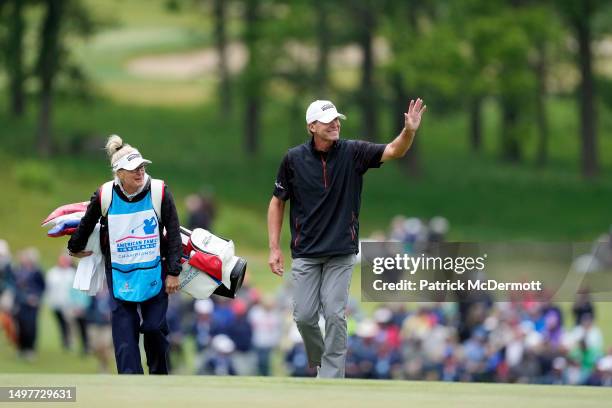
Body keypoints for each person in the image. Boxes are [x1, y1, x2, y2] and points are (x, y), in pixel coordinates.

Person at [267, 98, 426, 378]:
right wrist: (273, 247)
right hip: (305, 252)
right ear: (312, 126)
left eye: (337, 119)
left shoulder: (353, 152)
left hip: (341, 251)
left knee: (335, 314)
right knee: (303, 317)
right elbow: (277, 202)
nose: (336, 124)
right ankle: (318, 358)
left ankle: (330, 379)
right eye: (329, 121)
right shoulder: (293, 159)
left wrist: (409, 131)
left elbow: (393, 150)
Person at [68, 134, 182, 374]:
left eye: (141, 167)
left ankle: (160, 377)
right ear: (119, 173)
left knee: (154, 328)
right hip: (119, 272)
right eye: (133, 169)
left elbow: (173, 233)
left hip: (155, 270)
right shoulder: (105, 195)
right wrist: (74, 247)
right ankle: (131, 384)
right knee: (125, 336)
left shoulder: (159, 191)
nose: (140, 172)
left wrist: (173, 272)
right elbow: (86, 223)